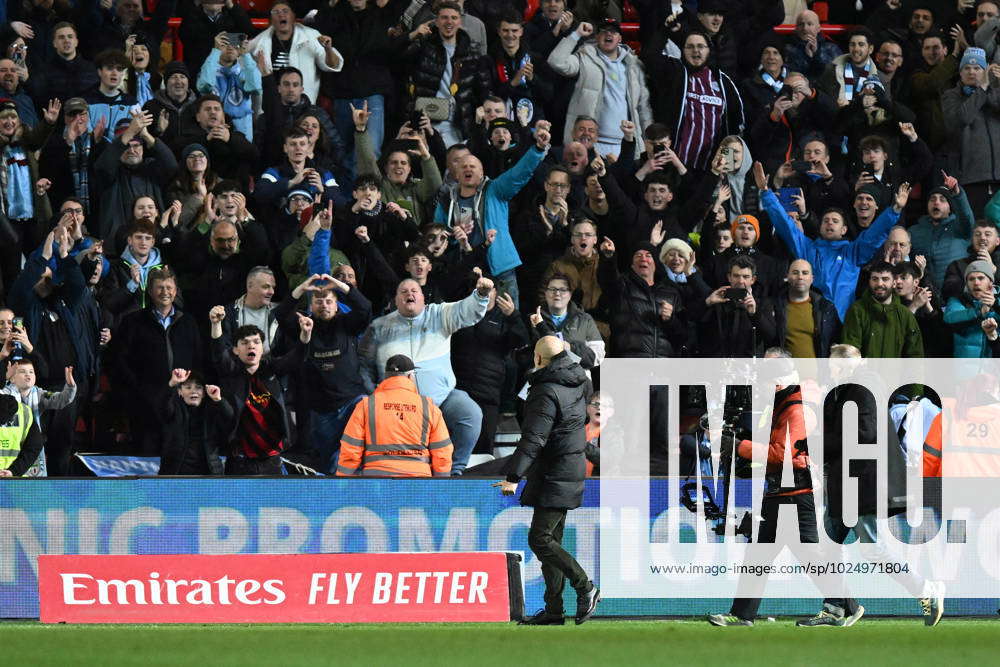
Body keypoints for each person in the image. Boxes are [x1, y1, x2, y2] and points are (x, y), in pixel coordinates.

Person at [495, 336, 599, 626]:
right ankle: (554, 610)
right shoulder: (580, 381)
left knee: (539, 539)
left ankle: (585, 587)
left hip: (555, 472)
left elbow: (534, 439)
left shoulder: (544, 391)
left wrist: (513, 477)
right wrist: (540, 328)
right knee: (551, 541)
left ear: (538, 360)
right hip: (567, 468)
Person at [359, 276, 493, 475]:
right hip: (394, 405)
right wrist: (375, 396)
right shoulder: (379, 327)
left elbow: (467, 310)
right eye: (403, 292)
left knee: (470, 413)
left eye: (414, 291)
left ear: (423, 298)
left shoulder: (439, 315)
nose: (409, 294)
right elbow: (364, 365)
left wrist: (481, 295)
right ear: (395, 301)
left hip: (442, 398)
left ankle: (454, 471)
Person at [757, 161, 909, 320]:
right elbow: (785, 225)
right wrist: (766, 193)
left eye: (835, 221)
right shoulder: (808, 248)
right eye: (826, 221)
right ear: (820, 227)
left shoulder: (852, 252)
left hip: (843, 322)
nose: (830, 223)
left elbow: (874, 234)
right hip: (813, 321)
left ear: (844, 230)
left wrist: (895, 209)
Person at [209, 308, 313, 475]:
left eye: (256, 342)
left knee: (272, 502)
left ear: (262, 348)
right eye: (245, 342)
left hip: (271, 461)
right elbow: (219, 352)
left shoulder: (271, 369)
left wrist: (305, 335)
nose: (251, 345)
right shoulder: (231, 372)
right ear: (235, 350)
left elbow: (295, 358)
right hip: (239, 461)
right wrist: (216, 323)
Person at [547, 18, 652, 158]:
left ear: (620, 38)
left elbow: (642, 107)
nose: (608, 34)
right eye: (604, 31)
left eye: (613, 32)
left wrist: (648, 140)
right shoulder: (584, 57)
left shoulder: (633, 65)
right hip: (589, 143)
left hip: (625, 143)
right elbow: (556, 62)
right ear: (597, 37)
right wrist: (576, 34)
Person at [337, 354, 452, 477]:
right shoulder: (428, 407)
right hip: (418, 481)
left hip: (376, 480)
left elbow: (350, 450)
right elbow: (442, 452)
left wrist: (343, 482)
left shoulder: (366, 405)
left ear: (386, 377)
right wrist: (441, 484)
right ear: (410, 376)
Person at [247, 1, 343, 105]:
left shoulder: (311, 36)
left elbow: (333, 66)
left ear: (293, 17)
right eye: (275, 12)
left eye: (285, 11)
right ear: (270, 20)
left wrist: (328, 49)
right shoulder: (257, 43)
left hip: (303, 108)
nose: (281, 14)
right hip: (271, 107)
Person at [841, 260, 925, 358]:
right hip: (863, 372)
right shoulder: (857, 311)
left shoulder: (905, 314)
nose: (879, 284)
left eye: (885, 279)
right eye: (875, 279)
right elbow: (850, 352)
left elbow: (915, 355)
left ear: (894, 283)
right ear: (869, 281)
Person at [156, 369, 231, 476]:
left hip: (209, 473)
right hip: (175, 472)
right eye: (188, 387)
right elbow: (162, 405)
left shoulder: (212, 410)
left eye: (198, 387)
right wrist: (172, 383)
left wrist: (218, 399)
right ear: (180, 392)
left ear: (204, 393)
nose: (193, 391)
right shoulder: (173, 410)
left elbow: (229, 418)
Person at [776, 259, 841, 358]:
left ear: (812, 279)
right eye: (795, 273)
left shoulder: (826, 308)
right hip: (786, 372)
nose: (800, 277)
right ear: (787, 277)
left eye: (805, 273)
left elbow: (836, 342)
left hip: (819, 372)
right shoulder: (774, 306)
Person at [944, 260, 1000, 357]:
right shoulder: (958, 300)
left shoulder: (998, 299)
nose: (976, 283)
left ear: (990, 281)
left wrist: (995, 304)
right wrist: (979, 311)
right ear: (966, 283)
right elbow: (949, 318)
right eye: (971, 279)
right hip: (965, 367)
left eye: (981, 278)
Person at [0, 394, 43, 478]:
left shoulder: (25, 412)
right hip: (16, 482)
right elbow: (34, 447)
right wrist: (14, 471)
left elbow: (34, 447)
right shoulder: (24, 412)